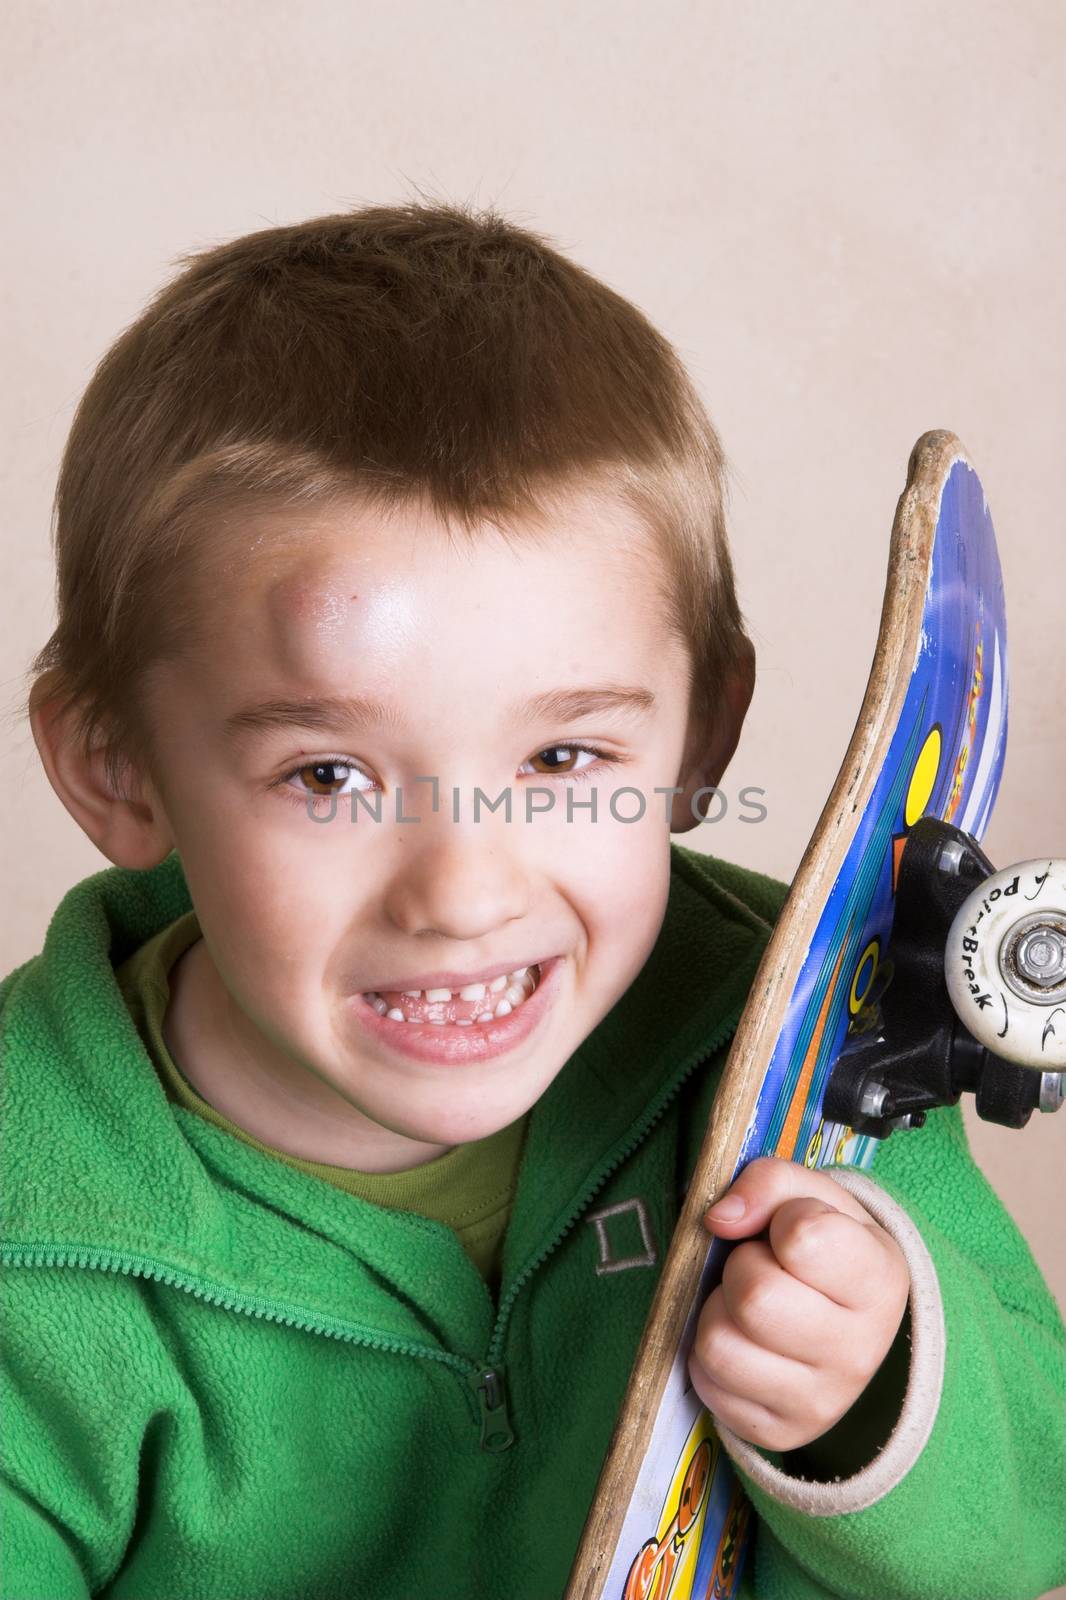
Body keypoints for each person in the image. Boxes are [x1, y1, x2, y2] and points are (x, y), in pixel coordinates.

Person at [1, 203, 1062, 1600]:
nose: (462, 890)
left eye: (562, 759)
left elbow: (1029, 1516)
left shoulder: (809, 1048)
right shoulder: (35, 1227)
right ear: (117, 768)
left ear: (699, 742)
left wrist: (870, 1392)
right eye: (327, 774)